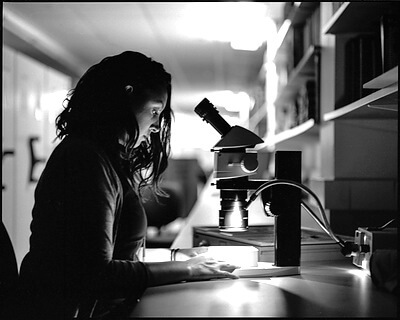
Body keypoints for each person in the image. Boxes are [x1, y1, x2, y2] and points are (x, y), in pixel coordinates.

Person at [13, 51, 238, 319]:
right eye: (155, 111)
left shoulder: (102, 156)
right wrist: (189, 269)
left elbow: (116, 256)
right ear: (126, 96)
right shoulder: (85, 159)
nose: (156, 125)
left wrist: (180, 261)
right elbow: (95, 274)